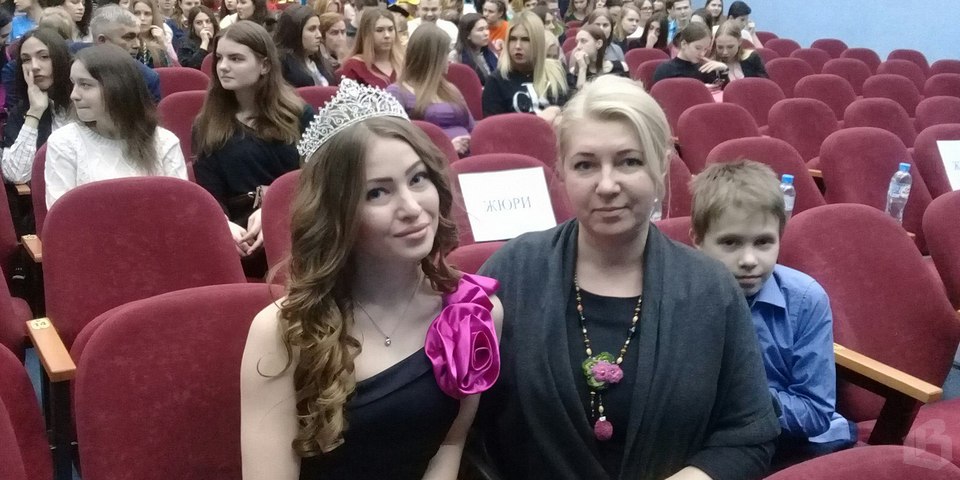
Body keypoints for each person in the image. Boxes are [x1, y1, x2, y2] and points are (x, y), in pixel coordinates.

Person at [472, 73, 779, 480]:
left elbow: (749, 433)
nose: (607, 185)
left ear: (661, 167)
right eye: (585, 165)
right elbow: (463, 429)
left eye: (629, 161)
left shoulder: (710, 289)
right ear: (561, 172)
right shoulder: (512, 272)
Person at [240, 78, 502, 480]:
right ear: (336, 214)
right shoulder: (283, 331)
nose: (412, 208)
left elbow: (448, 445)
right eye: (377, 193)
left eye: (418, 179)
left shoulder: (473, 312)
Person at [690, 160, 855, 470]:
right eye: (730, 242)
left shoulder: (805, 299)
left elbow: (816, 412)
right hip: (707, 445)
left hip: (788, 443)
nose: (749, 260)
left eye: (763, 242)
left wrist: (739, 396)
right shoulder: (678, 297)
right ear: (697, 241)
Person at [193, 20, 313, 262]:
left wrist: (276, 211)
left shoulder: (299, 115)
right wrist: (223, 224)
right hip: (240, 235)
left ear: (265, 65)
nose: (223, 67)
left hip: (298, 225)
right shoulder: (207, 123)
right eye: (219, 58)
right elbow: (210, 193)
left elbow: (317, 179)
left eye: (236, 59)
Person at [44, 44, 187, 208]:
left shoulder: (164, 142)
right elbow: (62, 216)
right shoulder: (64, 142)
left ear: (118, 88)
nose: (74, 95)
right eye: (73, 84)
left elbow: (180, 210)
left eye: (85, 85)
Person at [388, 23, 473, 155]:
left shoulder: (450, 89)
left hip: (468, 155)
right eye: (445, 54)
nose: (449, 60)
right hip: (434, 160)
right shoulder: (397, 92)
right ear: (431, 58)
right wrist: (446, 148)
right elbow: (395, 142)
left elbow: (472, 127)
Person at [2, 28, 73, 183]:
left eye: (44, 57)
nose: (34, 66)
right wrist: (35, 112)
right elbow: (16, 175)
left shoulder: (83, 103)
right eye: (26, 60)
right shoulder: (21, 111)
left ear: (61, 59)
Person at [480, 11, 567, 119]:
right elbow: (494, 126)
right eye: (512, 39)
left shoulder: (558, 71)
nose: (517, 46)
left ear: (538, 42)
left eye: (526, 39)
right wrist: (540, 120)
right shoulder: (496, 81)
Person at [89, 5, 162, 103]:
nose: (137, 45)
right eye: (128, 37)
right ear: (102, 41)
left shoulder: (147, 78)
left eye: (138, 37)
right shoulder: (74, 67)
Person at [340, 8, 403, 89]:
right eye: (379, 30)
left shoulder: (405, 63)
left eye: (390, 29)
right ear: (366, 34)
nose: (387, 35)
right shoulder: (354, 66)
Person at [274, 5, 332, 87]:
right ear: (294, 32)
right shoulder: (281, 64)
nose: (319, 35)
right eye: (312, 29)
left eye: (319, 29)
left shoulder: (320, 62)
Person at [652, 22, 726, 86]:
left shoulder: (704, 69)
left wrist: (724, 70)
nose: (702, 54)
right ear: (684, 44)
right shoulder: (665, 70)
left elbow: (722, 92)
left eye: (705, 49)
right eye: (698, 48)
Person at [567, 24, 624, 90]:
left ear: (598, 44)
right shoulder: (573, 73)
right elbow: (580, 95)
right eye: (577, 42)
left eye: (583, 41)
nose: (578, 47)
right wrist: (582, 69)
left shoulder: (618, 68)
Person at [130, 0, 179, 67]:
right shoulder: (126, 41)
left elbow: (174, 67)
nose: (142, 18)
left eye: (147, 14)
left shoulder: (162, 36)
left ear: (153, 17)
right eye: (137, 13)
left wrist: (163, 44)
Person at [453, 12, 497, 85]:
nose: (486, 33)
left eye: (487, 28)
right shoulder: (456, 57)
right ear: (468, 35)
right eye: (480, 30)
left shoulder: (490, 50)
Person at [317, 12, 347, 81]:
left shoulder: (350, 56)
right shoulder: (319, 61)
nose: (341, 38)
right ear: (322, 37)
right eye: (334, 33)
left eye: (343, 32)